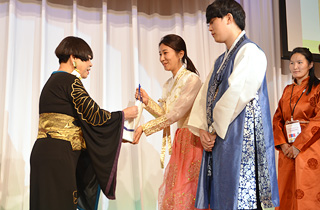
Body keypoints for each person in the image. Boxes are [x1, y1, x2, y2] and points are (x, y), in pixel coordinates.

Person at [187, 0, 279, 209]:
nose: (209, 28)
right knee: (223, 195)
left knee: (240, 196)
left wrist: (212, 129)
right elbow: (204, 98)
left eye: (212, 21)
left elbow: (235, 95)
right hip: (221, 137)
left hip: (239, 139)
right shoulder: (220, 60)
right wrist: (203, 129)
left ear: (229, 18)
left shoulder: (250, 52)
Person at [30, 36, 138, 210]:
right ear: (73, 58)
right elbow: (94, 116)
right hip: (59, 155)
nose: (90, 64)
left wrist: (118, 136)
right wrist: (123, 115)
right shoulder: (71, 82)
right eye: (87, 58)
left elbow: (82, 124)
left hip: (45, 152)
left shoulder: (52, 82)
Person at [133, 34, 204, 210]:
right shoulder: (168, 83)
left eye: (165, 53)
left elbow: (176, 113)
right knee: (175, 191)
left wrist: (144, 127)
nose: (162, 58)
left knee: (188, 192)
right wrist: (147, 101)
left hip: (194, 139)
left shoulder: (192, 79)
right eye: (160, 54)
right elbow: (165, 114)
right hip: (181, 139)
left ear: (181, 54)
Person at [273, 47, 320, 210]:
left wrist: (298, 146)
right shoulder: (287, 90)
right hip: (287, 149)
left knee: (308, 191)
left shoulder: (318, 88)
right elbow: (277, 118)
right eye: (292, 63)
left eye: (300, 62)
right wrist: (284, 145)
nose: (295, 67)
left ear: (310, 65)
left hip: (309, 147)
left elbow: (318, 121)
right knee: (286, 189)